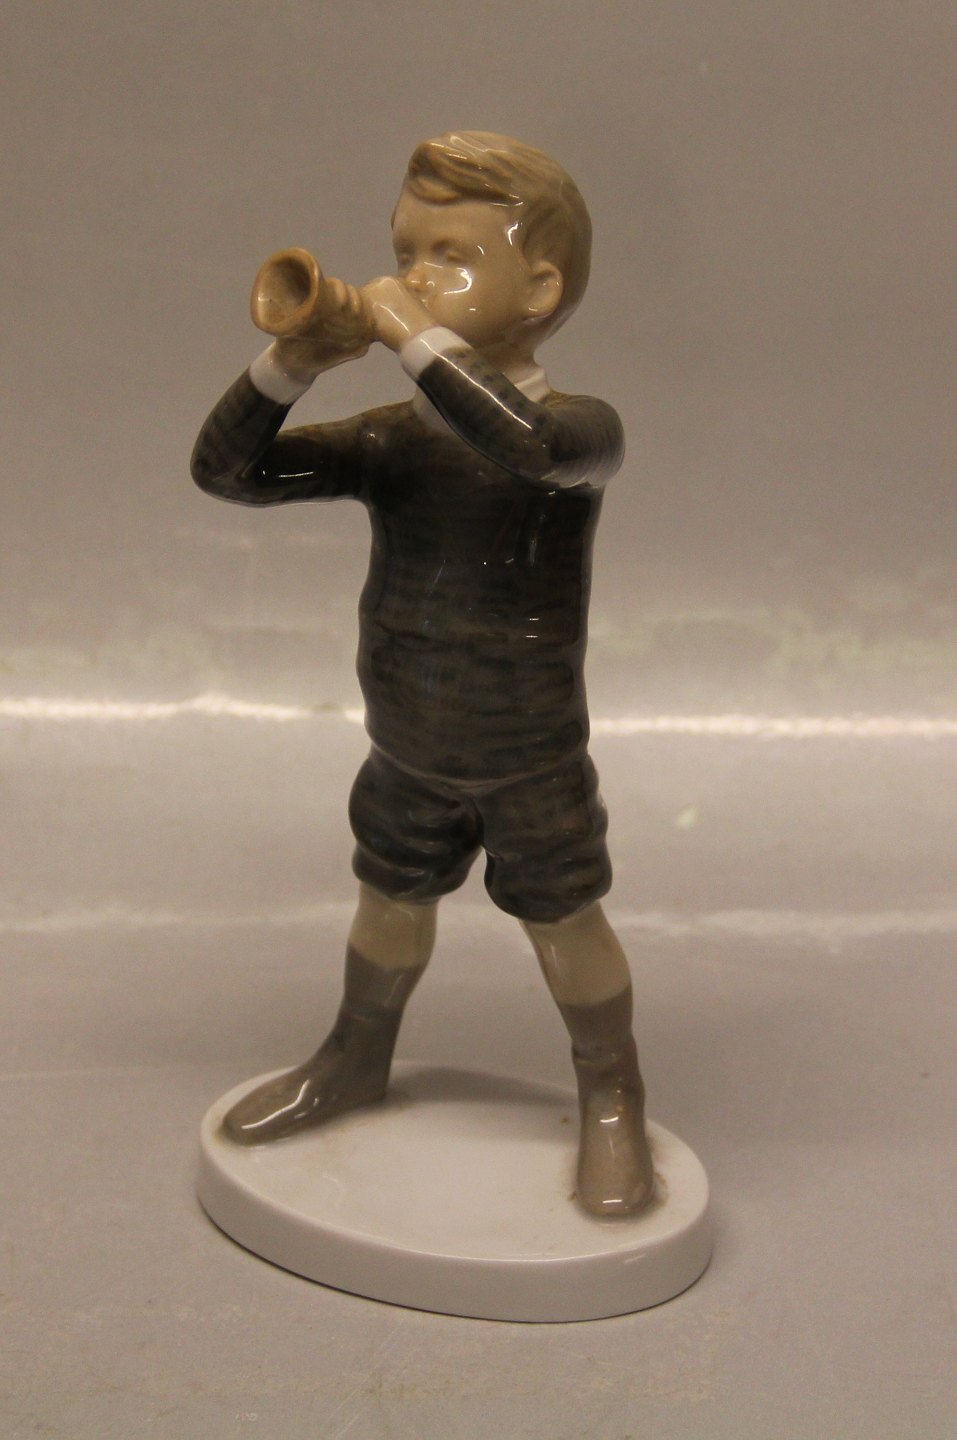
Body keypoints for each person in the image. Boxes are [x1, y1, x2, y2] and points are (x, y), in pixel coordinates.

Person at [191, 131, 654, 1216]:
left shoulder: (578, 432)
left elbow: (520, 445)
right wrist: (290, 366)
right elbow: (228, 473)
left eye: (450, 255)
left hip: (528, 755)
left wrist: (408, 328)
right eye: (405, 253)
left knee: (566, 918)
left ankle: (613, 1096)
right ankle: (356, 1058)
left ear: (541, 288)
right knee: (388, 900)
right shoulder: (394, 440)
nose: (411, 275)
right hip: (404, 743)